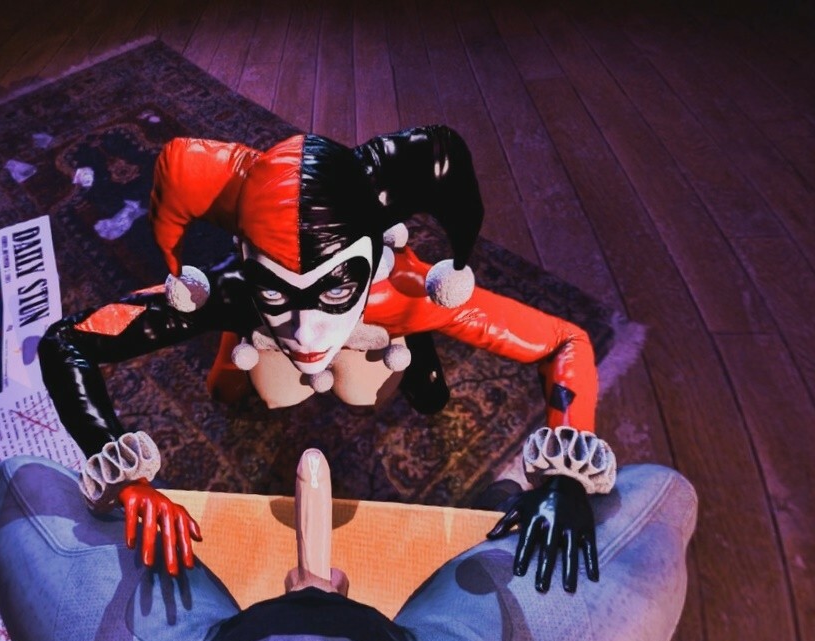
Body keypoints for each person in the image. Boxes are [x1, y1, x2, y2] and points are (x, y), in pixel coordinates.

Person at [38, 125, 616, 591]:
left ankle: (403, 350)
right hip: (286, 324)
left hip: (381, 325)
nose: (307, 329)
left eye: (335, 287)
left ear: (373, 257)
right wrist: (129, 484)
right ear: (247, 261)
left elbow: (565, 342)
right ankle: (281, 344)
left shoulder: (408, 295)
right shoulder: (234, 291)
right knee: (273, 388)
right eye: (276, 291)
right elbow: (66, 343)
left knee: (354, 387)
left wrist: (565, 478)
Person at [0, 452, 696, 641]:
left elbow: (23, 480)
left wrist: (123, 492)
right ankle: (502, 503)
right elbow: (656, 493)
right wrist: (565, 482)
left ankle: (504, 505)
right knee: (660, 500)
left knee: (23, 488)